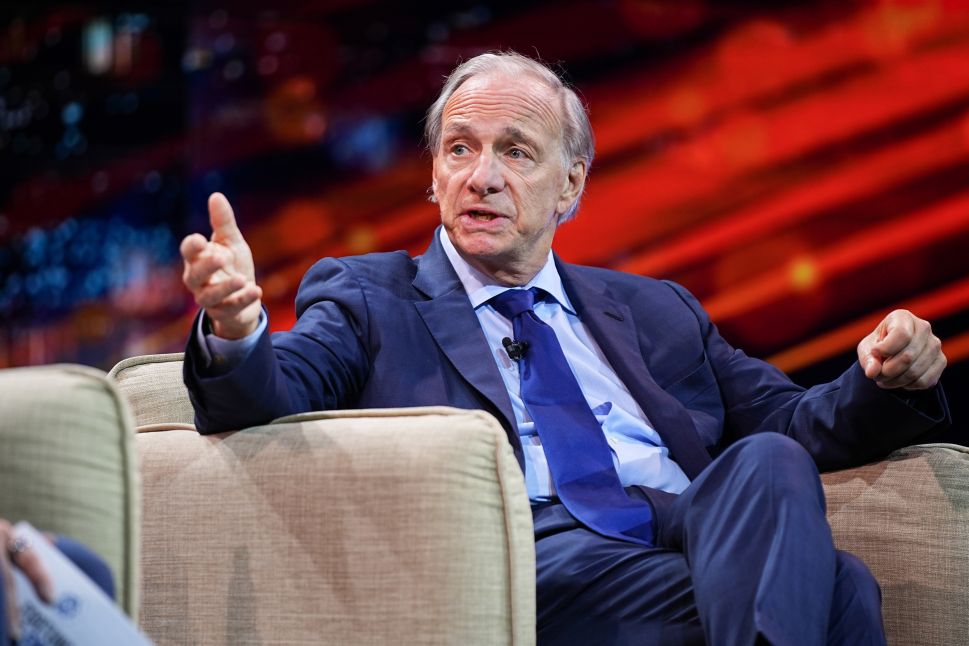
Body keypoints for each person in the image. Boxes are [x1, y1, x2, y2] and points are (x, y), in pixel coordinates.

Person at [180, 51, 949, 645]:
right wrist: (237, 330)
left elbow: (792, 425)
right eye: (459, 149)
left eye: (515, 152)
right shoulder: (367, 296)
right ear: (434, 176)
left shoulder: (656, 309)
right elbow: (277, 394)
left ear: (570, 185)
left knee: (767, 460)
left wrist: (885, 376)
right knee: (840, 590)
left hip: (681, 530)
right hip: (531, 551)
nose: (481, 177)